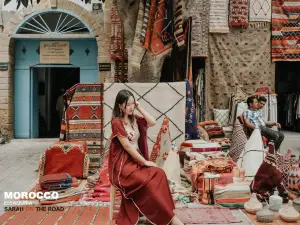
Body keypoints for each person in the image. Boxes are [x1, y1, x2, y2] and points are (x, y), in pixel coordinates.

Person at [108, 89, 183, 225]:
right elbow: (128, 147)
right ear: (120, 106)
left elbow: (152, 122)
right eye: (127, 104)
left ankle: (165, 213)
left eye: (132, 103)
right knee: (146, 181)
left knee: (159, 173)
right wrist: (145, 162)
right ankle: (170, 219)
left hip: (137, 159)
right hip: (124, 164)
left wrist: (139, 107)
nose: (130, 107)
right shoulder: (117, 123)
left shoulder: (134, 119)